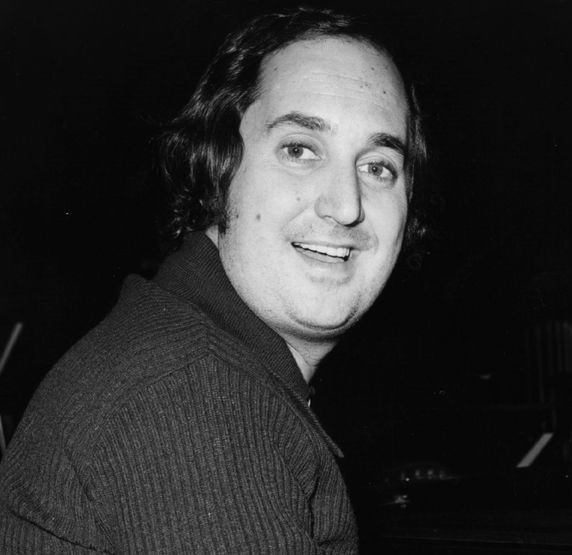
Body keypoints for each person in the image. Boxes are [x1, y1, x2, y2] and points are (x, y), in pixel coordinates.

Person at [0, 6, 426, 553]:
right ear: (215, 168)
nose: (346, 206)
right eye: (299, 150)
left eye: (378, 166)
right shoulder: (194, 396)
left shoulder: (189, 356)